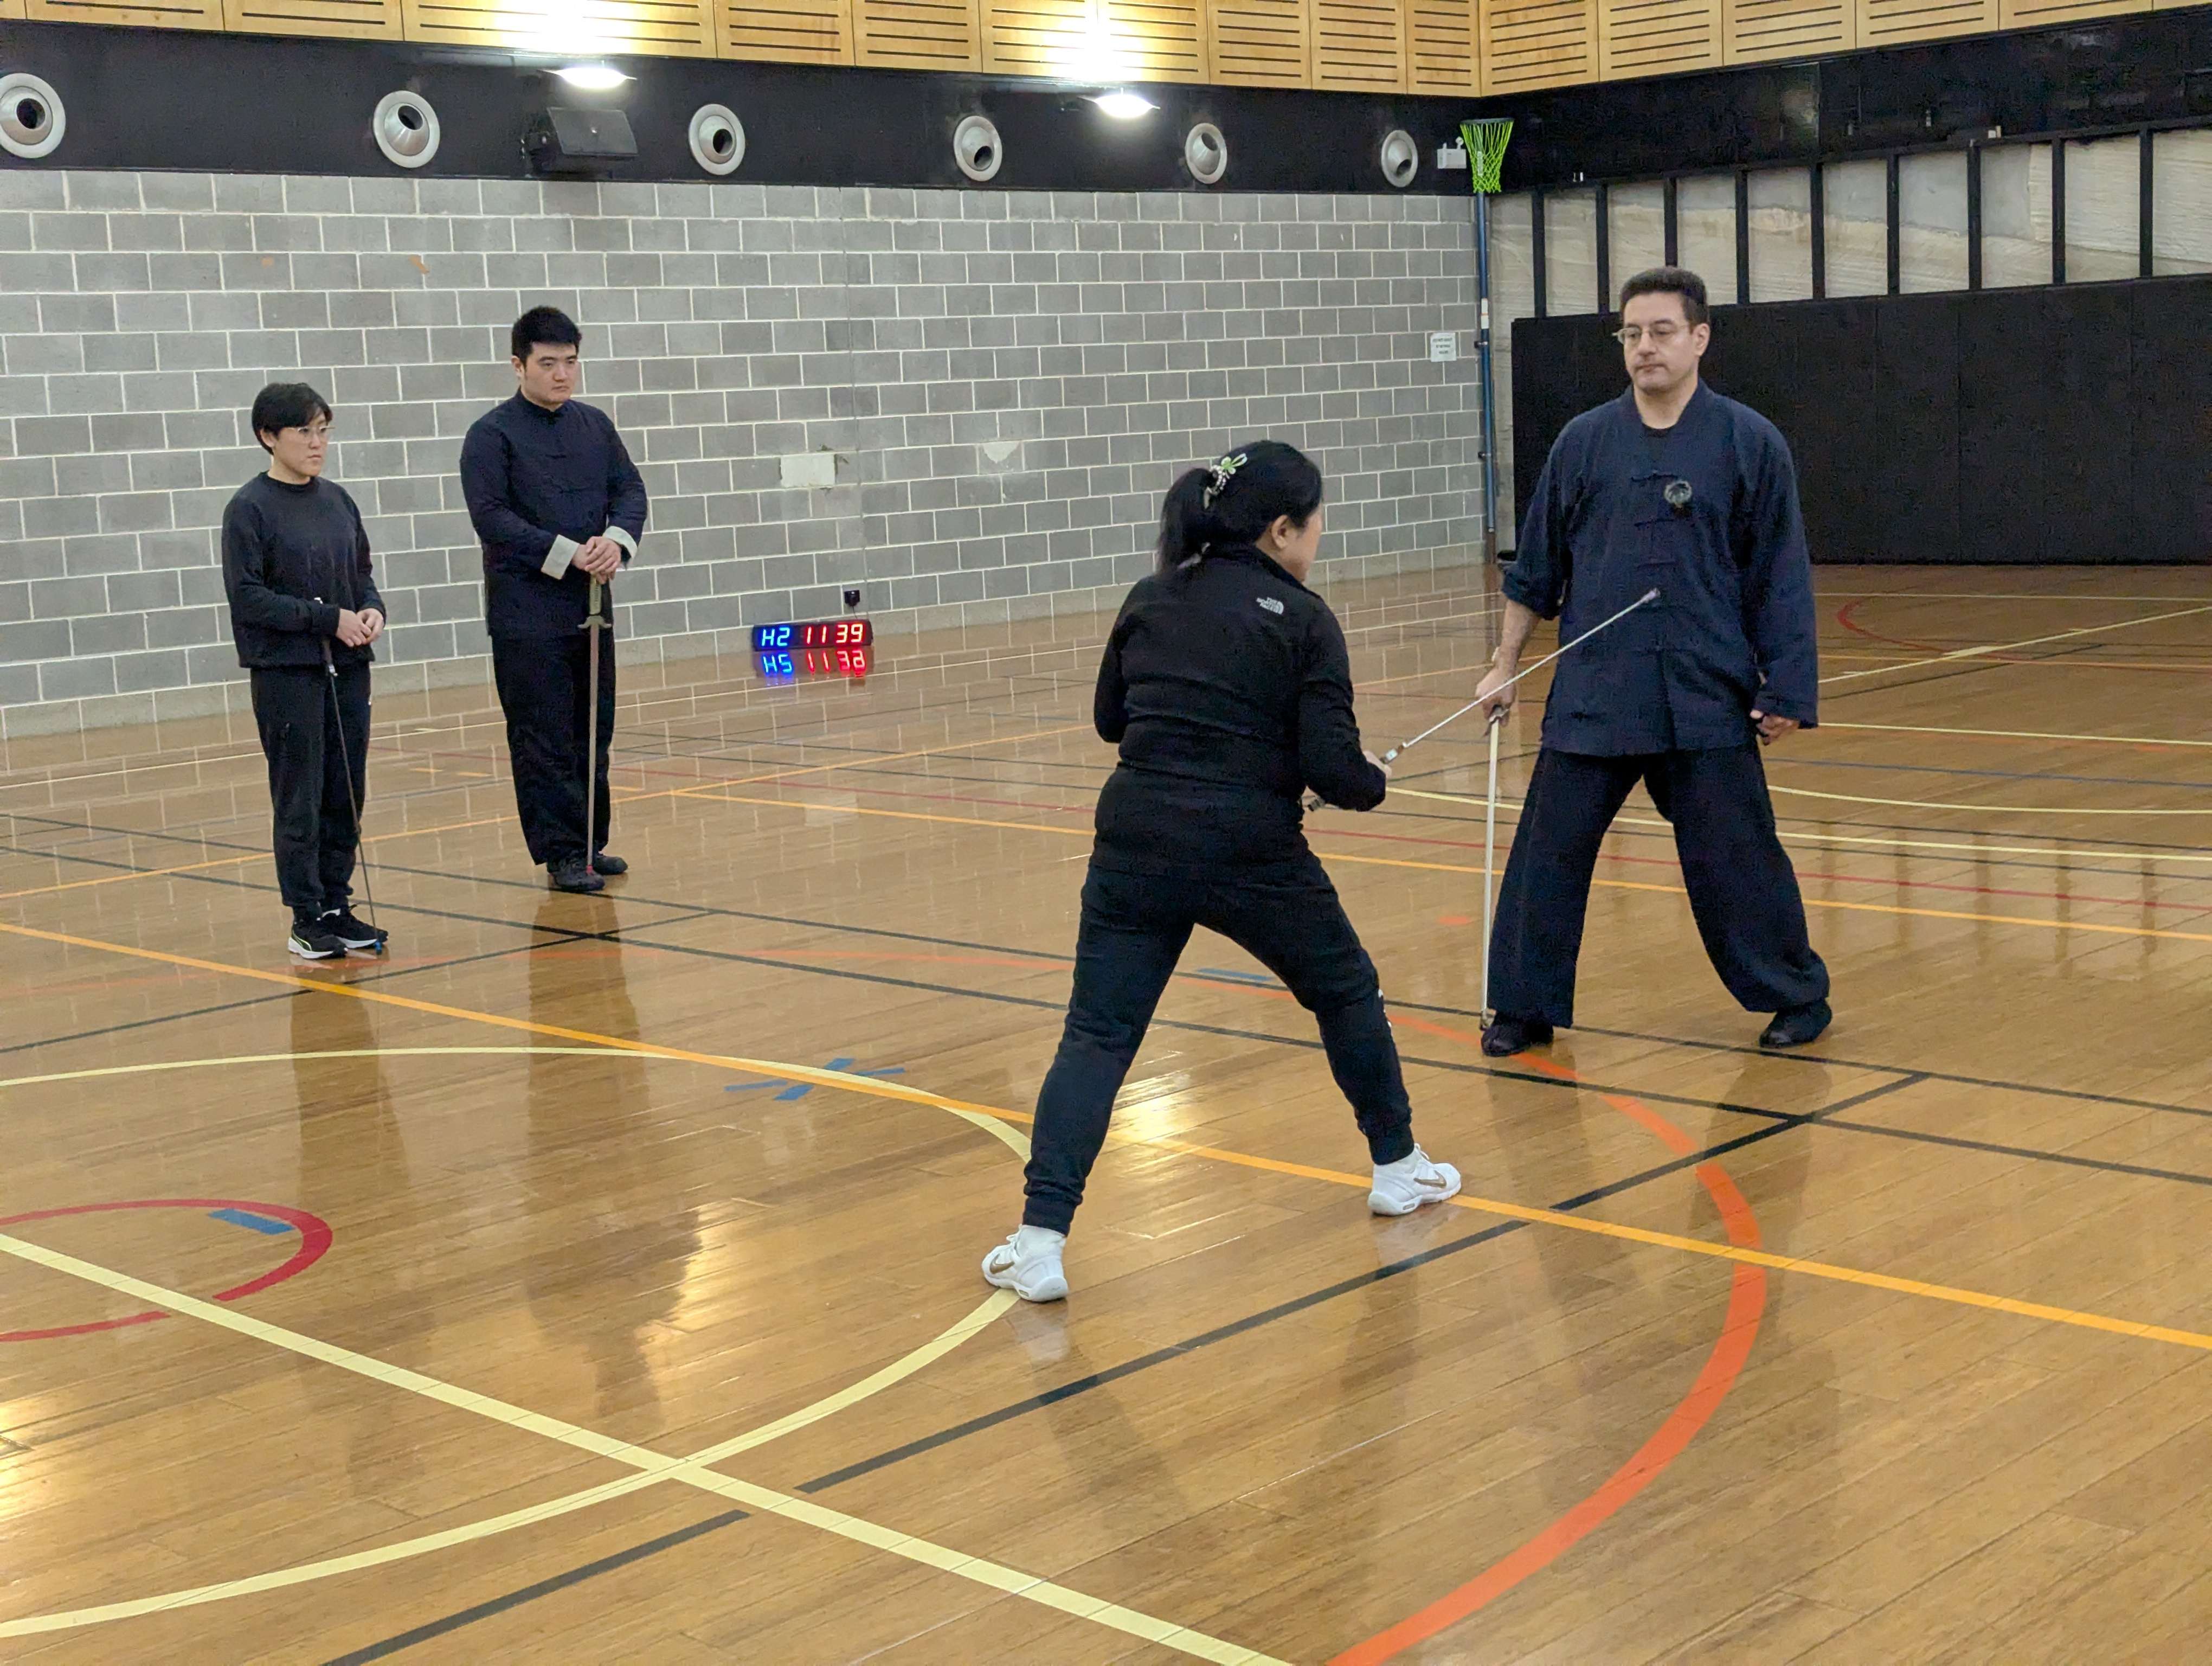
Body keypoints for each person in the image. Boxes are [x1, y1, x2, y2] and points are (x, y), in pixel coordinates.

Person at [981, 440, 1463, 1304]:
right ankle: (1398, 1167)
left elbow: (1108, 721)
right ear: (1283, 530)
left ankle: (1040, 1241)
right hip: (1251, 852)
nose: (1320, 540)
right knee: (1346, 992)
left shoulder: (1150, 596)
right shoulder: (1305, 618)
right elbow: (1338, 775)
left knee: (1097, 1035)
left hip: (1136, 842)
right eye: (1316, 525)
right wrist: (1373, 780)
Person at [1476, 266, 1831, 1057]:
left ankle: (1794, 993)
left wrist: (1786, 688)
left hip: (1706, 694)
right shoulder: (1582, 443)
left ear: (1699, 338)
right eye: (1632, 334)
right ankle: (1524, 1008)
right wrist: (1504, 663)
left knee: (1737, 858)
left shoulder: (1750, 442)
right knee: (1549, 853)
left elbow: (1780, 575)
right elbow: (1534, 571)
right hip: (1596, 695)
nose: (1645, 348)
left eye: (1662, 331)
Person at [460, 306, 648, 894]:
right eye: (548, 364)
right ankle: (561, 851)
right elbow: (492, 519)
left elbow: (631, 490)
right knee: (543, 735)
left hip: (591, 607)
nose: (562, 375)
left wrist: (616, 543)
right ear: (518, 365)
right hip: (527, 615)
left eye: (570, 363)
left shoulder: (595, 426)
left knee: (594, 727)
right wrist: (569, 553)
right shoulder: (491, 437)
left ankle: (591, 840)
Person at [221, 382, 389, 960]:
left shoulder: (339, 500)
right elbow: (249, 599)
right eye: (304, 432)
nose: (318, 444)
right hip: (288, 673)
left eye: (324, 431)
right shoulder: (249, 509)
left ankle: (338, 905)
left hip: (348, 667)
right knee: (301, 795)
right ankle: (306, 915)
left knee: (346, 790)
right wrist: (325, 619)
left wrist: (371, 610)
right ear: (270, 436)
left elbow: (361, 574)